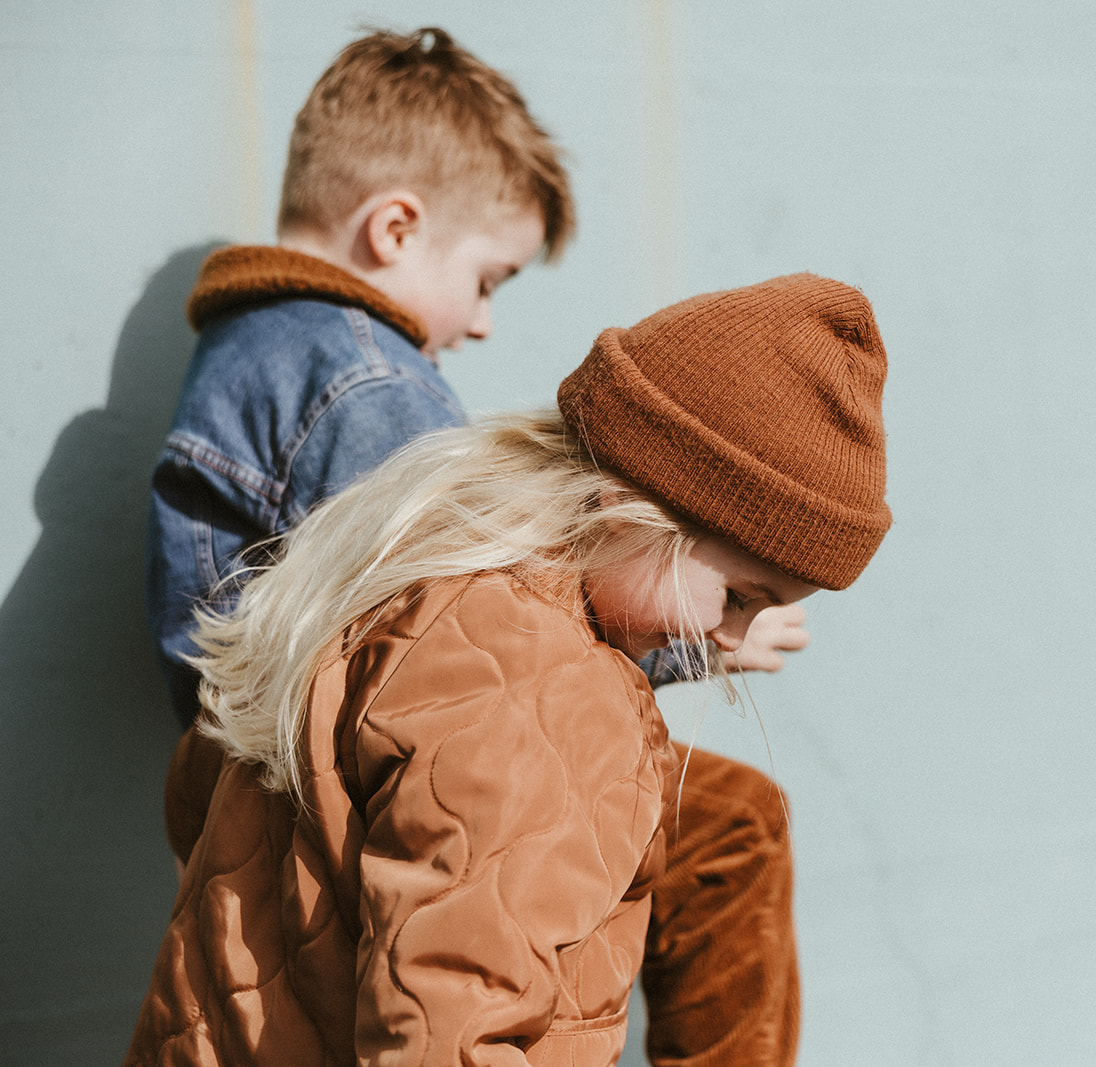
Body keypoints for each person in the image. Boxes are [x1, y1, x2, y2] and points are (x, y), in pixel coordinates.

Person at [145, 28, 806, 1066]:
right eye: (490, 278)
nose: (487, 324)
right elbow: (462, 617)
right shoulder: (365, 378)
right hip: (364, 760)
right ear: (394, 227)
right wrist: (685, 638)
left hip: (262, 757)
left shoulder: (248, 344)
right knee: (733, 827)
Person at [123, 273, 891, 1066]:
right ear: (634, 503)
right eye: (736, 596)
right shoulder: (549, 691)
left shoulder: (399, 575)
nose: (731, 638)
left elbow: (195, 791)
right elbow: (453, 1033)